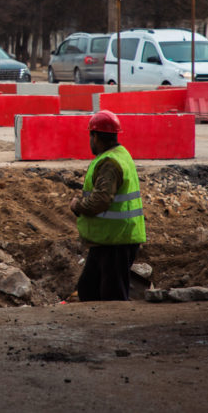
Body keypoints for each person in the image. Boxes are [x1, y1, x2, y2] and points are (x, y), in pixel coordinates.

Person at [68, 110, 146, 301]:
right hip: (107, 240)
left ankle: (115, 328)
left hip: (116, 241)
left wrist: (77, 205)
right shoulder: (120, 155)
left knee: (112, 297)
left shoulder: (110, 163)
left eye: (90, 136)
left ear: (95, 137)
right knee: (88, 289)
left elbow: (100, 200)